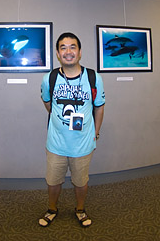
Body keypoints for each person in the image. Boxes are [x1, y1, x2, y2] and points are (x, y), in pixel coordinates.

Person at [38, 32, 105, 228]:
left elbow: (99, 106)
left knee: (81, 181)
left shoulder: (93, 77)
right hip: (56, 143)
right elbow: (48, 103)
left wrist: (96, 133)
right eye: (63, 47)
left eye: (73, 47)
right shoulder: (49, 78)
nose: (68, 52)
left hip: (83, 144)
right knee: (53, 181)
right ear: (58, 53)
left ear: (80, 52)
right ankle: (52, 209)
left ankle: (80, 209)